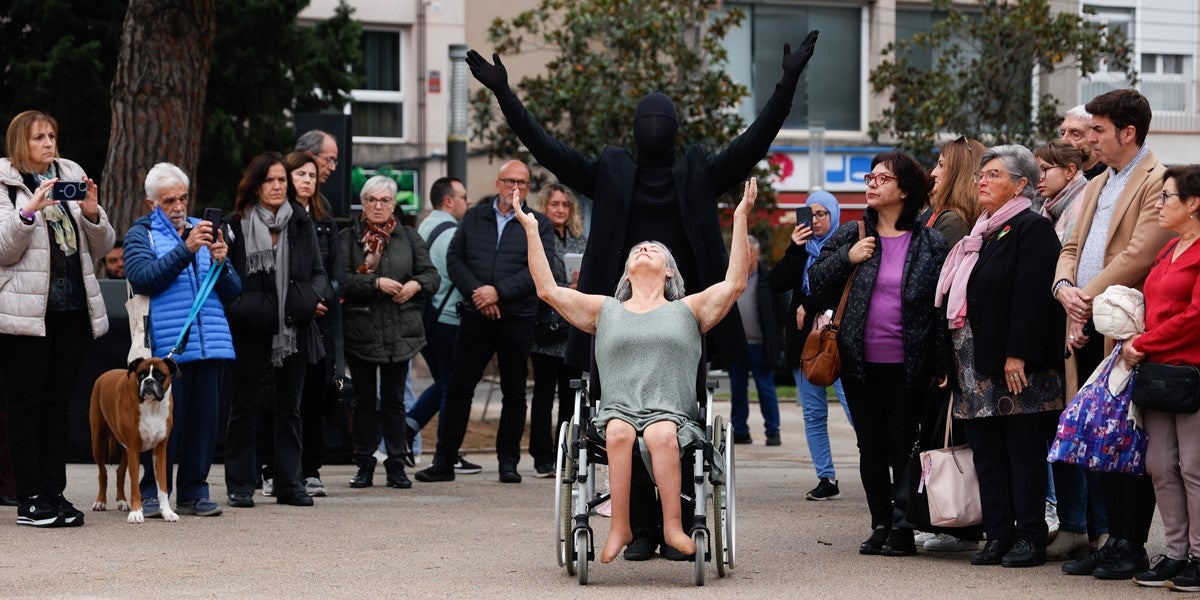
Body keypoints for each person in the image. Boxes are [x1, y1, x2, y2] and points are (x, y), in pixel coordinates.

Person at [465, 30, 819, 373]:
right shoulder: (651, 172)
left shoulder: (652, 173)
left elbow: (545, 147)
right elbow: (756, 140)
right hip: (624, 308)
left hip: (679, 308)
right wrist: (787, 82)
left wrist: (506, 95)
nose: (653, 128)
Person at [516, 177, 756, 563]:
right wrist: (530, 228)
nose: (645, 248)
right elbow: (548, 290)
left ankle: (673, 526)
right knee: (617, 431)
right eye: (638, 249)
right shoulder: (605, 309)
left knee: (662, 434)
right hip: (618, 409)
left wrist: (741, 216)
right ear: (625, 274)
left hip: (672, 412)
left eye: (655, 250)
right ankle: (620, 526)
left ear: (669, 273)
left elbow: (735, 283)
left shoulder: (689, 310)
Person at [1054, 88, 1171, 579]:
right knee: (1096, 436)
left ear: (1129, 132)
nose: (1092, 140)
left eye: (1099, 130)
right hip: (1084, 323)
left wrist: (1086, 298)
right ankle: (1108, 539)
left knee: (1127, 438)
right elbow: (1073, 244)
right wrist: (1063, 286)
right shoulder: (1100, 181)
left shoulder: (1156, 179)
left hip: (1122, 331)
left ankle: (1131, 543)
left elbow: (1140, 254)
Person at [808, 151, 948, 557]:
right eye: (870, 176)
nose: (871, 183)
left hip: (910, 364)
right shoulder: (852, 235)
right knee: (871, 446)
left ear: (904, 189)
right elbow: (815, 286)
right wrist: (845, 260)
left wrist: (941, 363)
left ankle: (904, 527)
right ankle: (880, 523)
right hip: (858, 362)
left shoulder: (931, 242)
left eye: (881, 178)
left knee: (903, 446)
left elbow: (942, 308)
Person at [935, 145, 1065, 568]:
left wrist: (1017, 355)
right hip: (974, 364)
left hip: (1014, 365)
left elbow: (1031, 298)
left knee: (1022, 452)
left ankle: (1030, 535)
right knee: (987, 454)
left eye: (993, 175)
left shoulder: (1032, 228)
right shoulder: (982, 232)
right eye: (980, 175)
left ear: (1021, 184)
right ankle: (999, 533)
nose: (982, 182)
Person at [0, 109, 115, 527]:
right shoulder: (4, 182)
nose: (48, 143)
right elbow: (4, 250)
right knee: (27, 405)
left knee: (57, 405)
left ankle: (54, 493)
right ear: (20, 144)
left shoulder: (71, 173)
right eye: (38, 138)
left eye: (51, 136)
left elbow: (102, 245)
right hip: (24, 315)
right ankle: (29, 498)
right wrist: (29, 210)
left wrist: (91, 212)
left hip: (71, 312)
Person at [413, 160, 555, 484]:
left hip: (516, 318)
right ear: (498, 182)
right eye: (508, 181)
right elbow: (454, 258)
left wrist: (498, 293)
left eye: (521, 183)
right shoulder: (474, 217)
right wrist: (478, 292)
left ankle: (508, 462)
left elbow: (539, 269)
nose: (514, 188)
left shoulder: (537, 224)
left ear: (528, 188)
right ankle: (444, 461)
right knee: (459, 388)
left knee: (514, 392)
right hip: (476, 315)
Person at [124, 162, 242, 518]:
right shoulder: (140, 234)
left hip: (211, 344)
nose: (178, 207)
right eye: (169, 200)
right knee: (161, 426)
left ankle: (195, 490)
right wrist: (186, 250)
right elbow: (143, 278)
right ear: (151, 204)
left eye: (183, 198)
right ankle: (153, 492)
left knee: (204, 424)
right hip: (168, 349)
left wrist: (223, 262)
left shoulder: (204, 232)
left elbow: (233, 292)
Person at [223, 151, 328, 508]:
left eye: (282, 179)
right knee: (245, 407)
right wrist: (240, 306)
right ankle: (240, 483)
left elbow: (319, 271)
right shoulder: (236, 223)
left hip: (292, 329)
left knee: (290, 409)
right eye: (270, 180)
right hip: (250, 327)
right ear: (255, 185)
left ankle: (289, 482)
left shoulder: (300, 221)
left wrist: (310, 297)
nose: (278, 186)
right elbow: (224, 277)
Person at [1121, 165, 1200, 589]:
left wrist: (1146, 341)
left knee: (1193, 467)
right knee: (1159, 465)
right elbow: (1152, 304)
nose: (1159, 203)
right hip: (1157, 372)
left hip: (1190, 372)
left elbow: (1195, 316)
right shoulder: (1168, 249)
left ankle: (1199, 557)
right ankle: (1174, 553)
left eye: (1167, 197)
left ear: (1194, 203)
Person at [338, 176, 439, 489]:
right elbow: (339, 280)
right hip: (362, 329)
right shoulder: (347, 238)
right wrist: (374, 284)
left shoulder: (408, 236)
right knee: (364, 401)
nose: (378, 206)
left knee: (395, 400)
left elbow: (431, 275)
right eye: (372, 200)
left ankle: (397, 463)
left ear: (394, 204)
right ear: (363, 204)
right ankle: (364, 463)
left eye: (385, 201)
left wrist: (416, 285)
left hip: (400, 331)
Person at [260, 150, 344, 498]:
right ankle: (270, 468)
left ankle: (309, 470)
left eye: (313, 174)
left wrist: (318, 298)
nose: (308, 180)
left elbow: (334, 273)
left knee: (311, 398)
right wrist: (304, 302)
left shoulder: (324, 221)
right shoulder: (275, 219)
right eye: (300, 175)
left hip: (318, 320)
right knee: (275, 399)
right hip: (282, 320)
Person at [767, 191, 853, 501]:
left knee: (854, 408)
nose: (815, 220)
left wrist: (810, 303)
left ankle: (880, 471)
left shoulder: (844, 247)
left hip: (840, 342)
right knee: (813, 415)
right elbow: (776, 283)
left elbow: (845, 286)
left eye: (822, 214)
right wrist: (795, 247)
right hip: (806, 345)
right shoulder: (802, 249)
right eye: (810, 214)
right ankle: (826, 477)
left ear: (834, 216)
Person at [407, 177, 481, 475]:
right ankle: (445, 455)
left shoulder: (424, 226)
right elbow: (462, 274)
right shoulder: (453, 233)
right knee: (455, 388)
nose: (469, 202)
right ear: (449, 201)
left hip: (426, 318)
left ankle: (409, 428)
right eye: (464, 196)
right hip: (449, 320)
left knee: (446, 384)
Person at [526, 182, 588, 477]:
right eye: (554, 205)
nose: (560, 210)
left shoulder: (581, 239)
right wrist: (567, 288)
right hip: (546, 327)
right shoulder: (537, 237)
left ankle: (568, 454)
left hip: (573, 327)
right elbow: (536, 278)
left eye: (565, 205)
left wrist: (582, 287)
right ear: (544, 207)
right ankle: (542, 456)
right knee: (542, 395)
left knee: (571, 396)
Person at [726, 236, 786, 446]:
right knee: (738, 390)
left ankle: (773, 431)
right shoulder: (731, 278)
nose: (745, 254)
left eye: (749, 250)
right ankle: (740, 431)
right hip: (737, 345)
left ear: (757, 253)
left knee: (766, 388)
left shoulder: (768, 278)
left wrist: (778, 344)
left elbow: (781, 315)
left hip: (762, 345)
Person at [927, 136, 985, 247]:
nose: (933, 173)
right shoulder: (947, 214)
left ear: (959, 172)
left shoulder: (954, 221)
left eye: (941, 165)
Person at [1036, 140, 1089, 245]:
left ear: (1069, 171)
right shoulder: (1048, 209)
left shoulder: (1089, 202)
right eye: (1037, 171)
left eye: (1044, 169)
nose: (1039, 178)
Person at [1060, 105, 1107, 181]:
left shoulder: (1108, 178)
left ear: (1095, 138)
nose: (1063, 140)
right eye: (1062, 133)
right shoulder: (1058, 177)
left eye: (1075, 134)